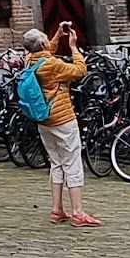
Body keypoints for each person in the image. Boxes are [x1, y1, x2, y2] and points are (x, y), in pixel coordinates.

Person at [21, 25, 96, 227]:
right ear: (43, 44)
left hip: (43, 120)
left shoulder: (29, 60)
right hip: (63, 119)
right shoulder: (54, 66)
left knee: (56, 162)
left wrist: (55, 37)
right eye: (46, 38)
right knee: (72, 163)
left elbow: (46, 53)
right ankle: (78, 212)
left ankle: (57, 210)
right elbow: (80, 70)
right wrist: (73, 47)